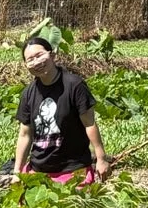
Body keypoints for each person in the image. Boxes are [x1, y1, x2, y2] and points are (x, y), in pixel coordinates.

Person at [13, 33, 112, 183]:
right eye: (30, 60)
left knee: (72, 205)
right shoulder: (28, 93)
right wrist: (17, 172)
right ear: (26, 65)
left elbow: (89, 124)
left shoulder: (74, 85)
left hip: (73, 169)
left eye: (39, 55)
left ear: (52, 55)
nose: (36, 62)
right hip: (39, 169)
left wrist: (101, 158)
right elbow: (24, 135)